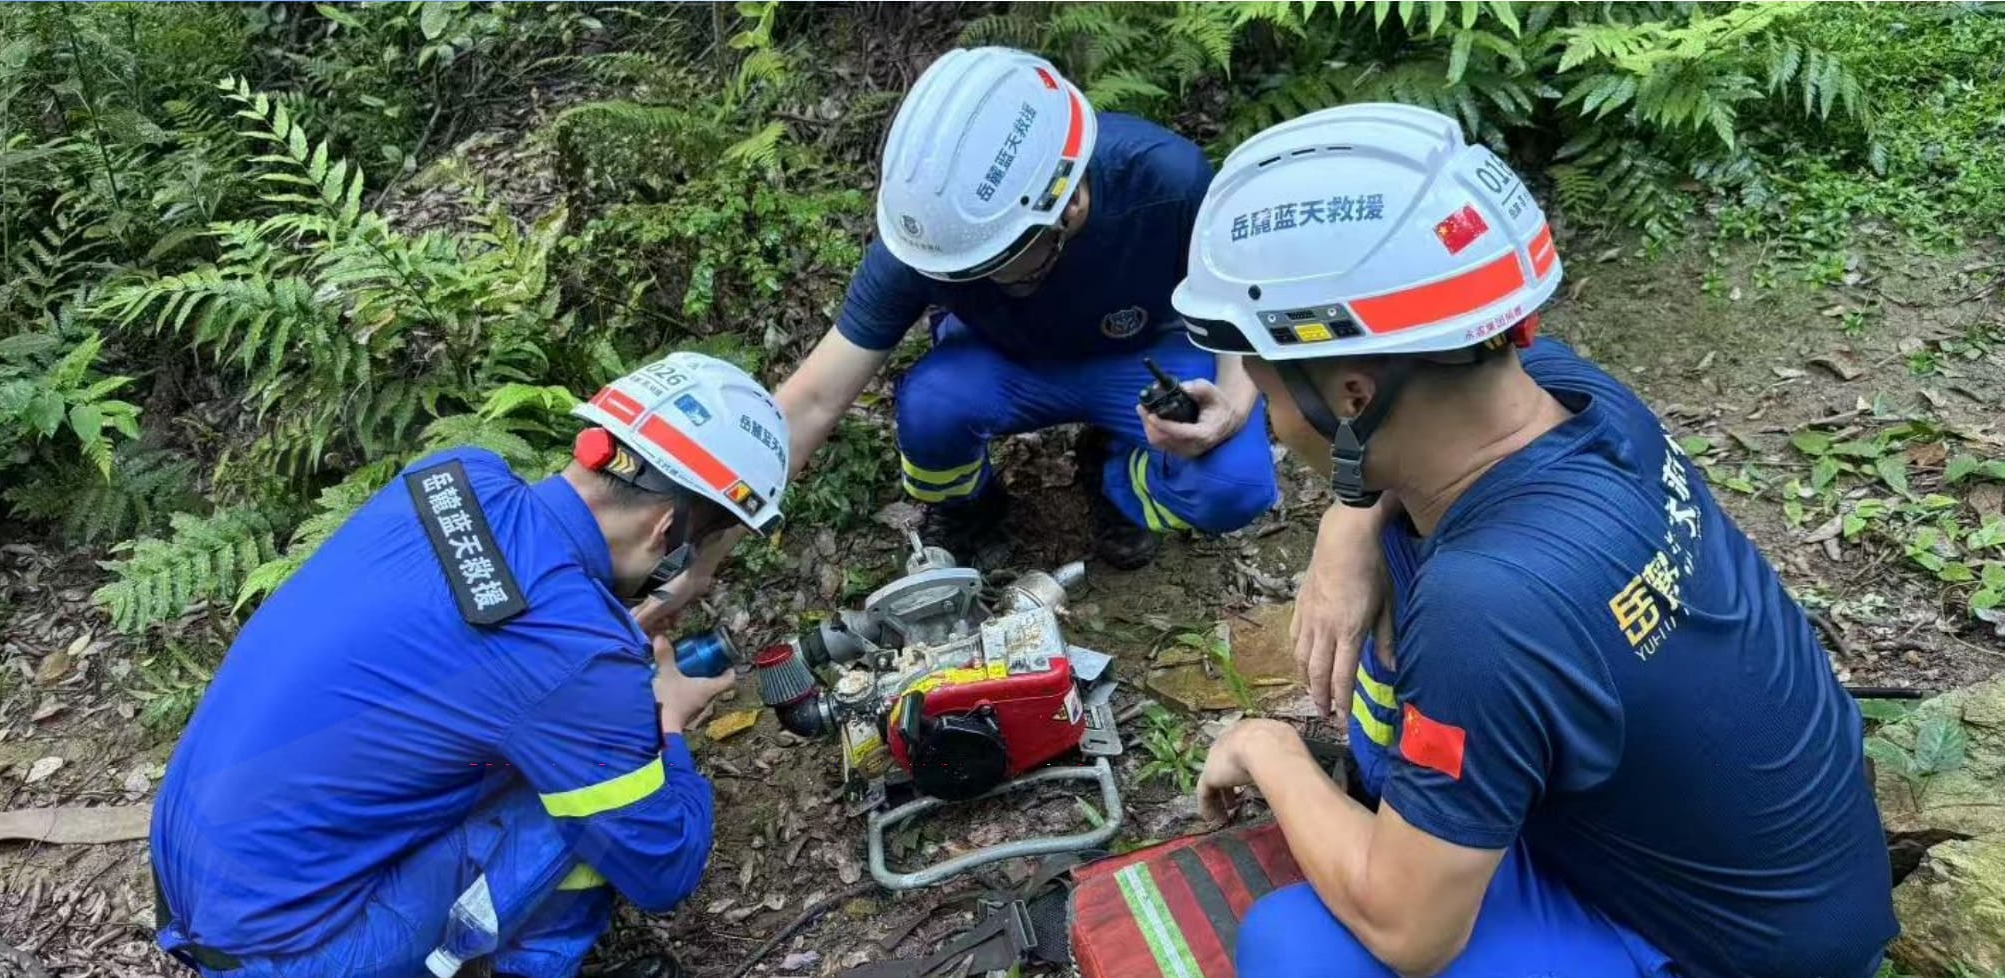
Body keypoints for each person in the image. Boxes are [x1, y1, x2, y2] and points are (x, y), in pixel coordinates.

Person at [1172, 104, 1898, 978]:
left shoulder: (1487, 603)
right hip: (1787, 873)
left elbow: (1410, 935)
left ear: (1354, 396)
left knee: (1297, 947)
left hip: (1719, 951)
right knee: (1403, 522)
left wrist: (1268, 747)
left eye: (1266, 383)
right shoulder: (1571, 395)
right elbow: (1415, 471)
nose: (1273, 420)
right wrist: (1349, 522)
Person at [150, 353, 792, 978]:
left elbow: (475, 640)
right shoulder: (576, 654)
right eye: (697, 543)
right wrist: (666, 721)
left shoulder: (455, 477)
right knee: (594, 812)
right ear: (663, 531)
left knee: (551, 750)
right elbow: (663, 868)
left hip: (196, 888)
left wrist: (594, 654)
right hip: (295, 953)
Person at [771, 45, 1279, 571]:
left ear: (1071, 205)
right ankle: (970, 507)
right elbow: (811, 401)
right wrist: (704, 525)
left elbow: (1241, 309)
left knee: (1235, 486)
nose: (972, 279)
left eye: (991, 260)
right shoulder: (934, 238)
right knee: (929, 410)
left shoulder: (1164, 182)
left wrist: (1233, 409)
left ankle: (1117, 479)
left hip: (1142, 356)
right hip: (1003, 360)